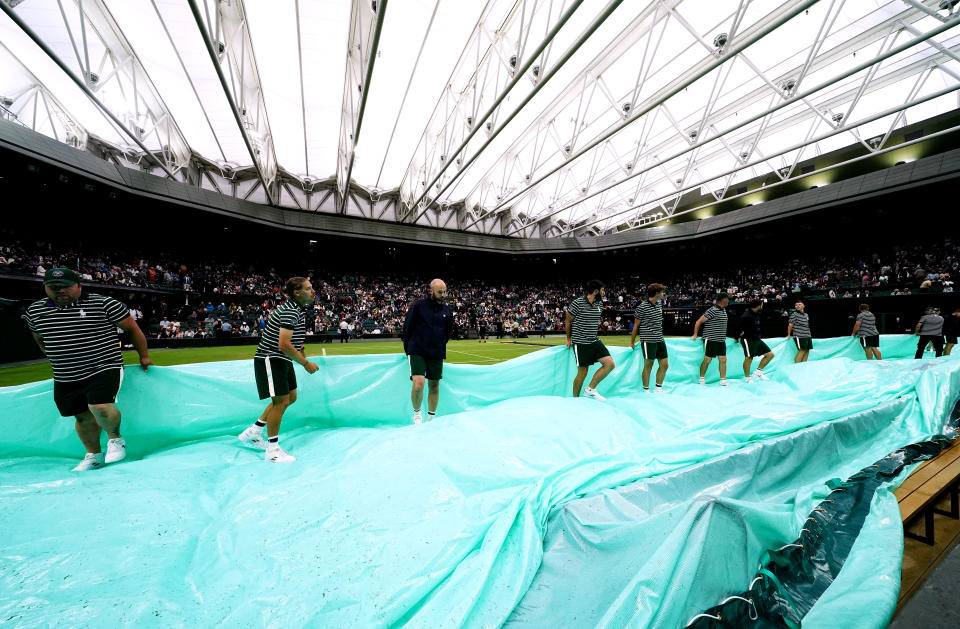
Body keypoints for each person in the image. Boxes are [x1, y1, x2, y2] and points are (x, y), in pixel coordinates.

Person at [24, 268, 153, 471]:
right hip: (65, 373)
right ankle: (94, 455)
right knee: (81, 416)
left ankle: (115, 439)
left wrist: (144, 356)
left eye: (65, 286)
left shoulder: (104, 303)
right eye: (53, 287)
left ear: (79, 285)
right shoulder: (35, 310)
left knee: (100, 405)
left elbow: (132, 329)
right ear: (45, 287)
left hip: (103, 365)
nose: (60, 291)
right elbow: (40, 339)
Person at [238, 277, 319, 463]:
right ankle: (272, 451)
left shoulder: (297, 309)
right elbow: (283, 344)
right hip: (271, 358)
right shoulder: (290, 310)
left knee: (291, 397)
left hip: (282, 359)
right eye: (308, 288)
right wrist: (305, 364)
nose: (313, 291)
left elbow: (295, 340)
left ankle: (254, 430)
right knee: (280, 401)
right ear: (297, 293)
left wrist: (302, 355)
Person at [402, 279, 454, 424]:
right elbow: (407, 327)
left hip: (436, 351)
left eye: (445, 292)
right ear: (431, 291)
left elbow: (448, 333)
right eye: (440, 292)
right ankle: (417, 414)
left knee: (434, 385)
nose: (443, 295)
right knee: (419, 383)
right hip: (417, 349)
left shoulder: (447, 311)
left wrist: (440, 344)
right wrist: (408, 349)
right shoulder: (418, 306)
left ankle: (431, 418)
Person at [566, 279, 615, 400]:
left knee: (610, 364)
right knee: (583, 372)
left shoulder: (599, 303)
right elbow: (568, 320)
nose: (604, 293)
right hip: (581, 342)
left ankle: (590, 389)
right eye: (602, 290)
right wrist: (569, 339)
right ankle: (575, 399)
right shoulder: (577, 303)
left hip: (594, 340)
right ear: (596, 291)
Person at [629, 283, 669, 393]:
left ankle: (658, 388)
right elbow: (636, 326)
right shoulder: (642, 307)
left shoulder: (659, 303)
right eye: (661, 292)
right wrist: (632, 342)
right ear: (656, 293)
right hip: (648, 340)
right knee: (649, 366)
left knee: (665, 365)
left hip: (660, 339)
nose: (663, 294)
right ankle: (646, 390)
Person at [692, 293, 730, 386]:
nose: (729, 301)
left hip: (721, 340)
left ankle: (723, 380)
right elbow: (698, 322)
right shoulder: (712, 310)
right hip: (710, 339)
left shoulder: (723, 310)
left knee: (723, 359)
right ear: (723, 300)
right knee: (708, 359)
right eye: (727, 299)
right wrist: (695, 334)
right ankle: (701, 379)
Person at [739, 299, 775, 382]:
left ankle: (758, 372)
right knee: (749, 358)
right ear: (758, 305)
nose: (762, 306)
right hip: (748, 339)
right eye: (762, 304)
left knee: (770, 355)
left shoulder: (756, 314)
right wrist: (736, 336)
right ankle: (747, 378)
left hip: (757, 339)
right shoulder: (746, 316)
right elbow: (738, 328)